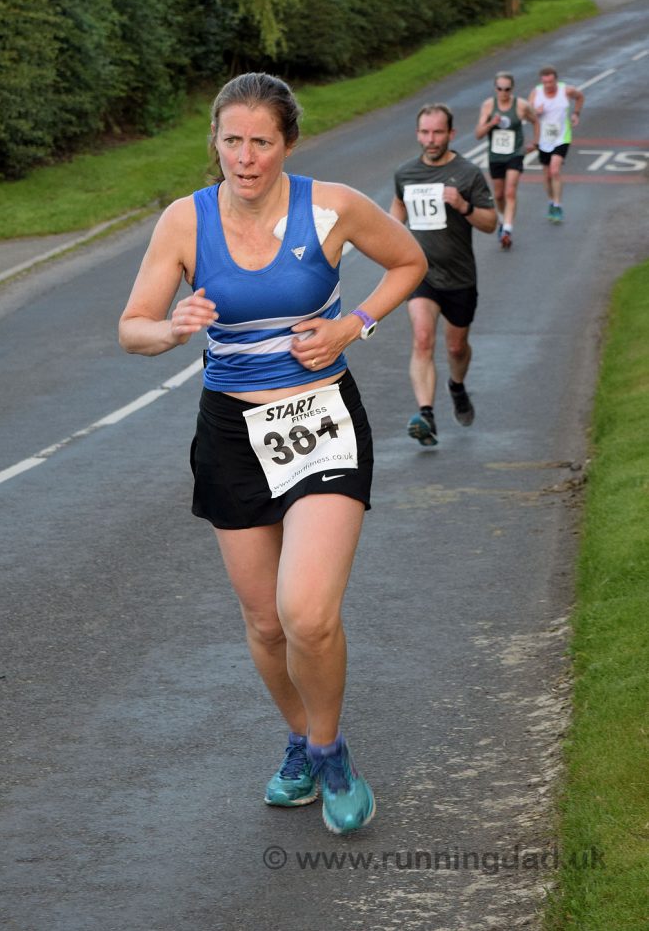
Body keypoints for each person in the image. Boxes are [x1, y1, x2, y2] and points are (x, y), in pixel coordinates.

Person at [119, 72, 427, 835]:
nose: (246, 156)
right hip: (231, 433)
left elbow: (410, 261)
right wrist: (172, 328)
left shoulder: (332, 206)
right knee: (265, 623)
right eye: (232, 139)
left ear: (287, 143)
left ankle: (329, 752)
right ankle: (305, 739)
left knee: (308, 615)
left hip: (321, 418)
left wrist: (351, 326)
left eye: (262, 141)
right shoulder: (183, 223)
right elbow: (133, 326)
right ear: (215, 142)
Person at [390, 104, 497, 447]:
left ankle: (457, 385)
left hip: (460, 277)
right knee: (422, 338)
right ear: (418, 133)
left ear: (451, 134)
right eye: (424, 132)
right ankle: (427, 415)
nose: (430, 139)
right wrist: (390, 247)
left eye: (437, 132)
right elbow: (395, 218)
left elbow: (490, 222)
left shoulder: (467, 174)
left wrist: (463, 205)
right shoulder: (405, 174)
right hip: (421, 274)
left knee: (456, 346)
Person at [475, 72, 536, 250]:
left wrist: (536, 143)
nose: (503, 92)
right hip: (496, 156)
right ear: (495, 88)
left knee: (510, 192)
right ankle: (503, 220)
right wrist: (490, 124)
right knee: (499, 194)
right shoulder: (488, 106)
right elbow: (478, 134)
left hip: (515, 153)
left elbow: (536, 121)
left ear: (512, 89)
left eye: (507, 89)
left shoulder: (521, 106)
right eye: (500, 89)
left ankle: (507, 230)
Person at [528, 65, 585, 223]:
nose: (548, 86)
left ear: (556, 80)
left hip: (562, 137)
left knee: (554, 170)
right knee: (546, 175)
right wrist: (535, 112)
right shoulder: (536, 93)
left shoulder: (566, 90)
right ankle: (551, 201)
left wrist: (576, 113)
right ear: (541, 81)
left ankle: (558, 205)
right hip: (543, 138)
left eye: (551, 82)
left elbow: (580, 97)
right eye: (545, 83)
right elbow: (526, 113)